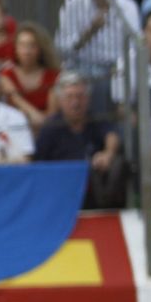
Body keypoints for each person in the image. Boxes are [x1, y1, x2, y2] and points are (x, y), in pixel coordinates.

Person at [33, 73, 126, 209]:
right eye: (69, 97)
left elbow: (111, 135)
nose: (75, 103)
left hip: (95, 194)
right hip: (61, 195)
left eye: (80, 96)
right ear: (60, 101)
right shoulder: (50, 128)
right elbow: (38, 165)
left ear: (88, 99)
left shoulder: (95, 118)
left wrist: (107, 154)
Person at [55, 0, 138, 101]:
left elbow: (133, 47)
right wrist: (89, 32)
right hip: (81, 68)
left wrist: (119, 68)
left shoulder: (128, 6)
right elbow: (62, 49)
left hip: (117, 69)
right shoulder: (73, 3)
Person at [0, 22, 60, 133]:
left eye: (32, 46)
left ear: (40, 49)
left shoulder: (53, 75)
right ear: (15, 48)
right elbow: (16, 101)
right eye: (22, 45)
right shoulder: (7, 75)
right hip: (15, 130)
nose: (27, 51)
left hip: (46, 130)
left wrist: (39, 122)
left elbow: (52, 114)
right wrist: (34, 118)